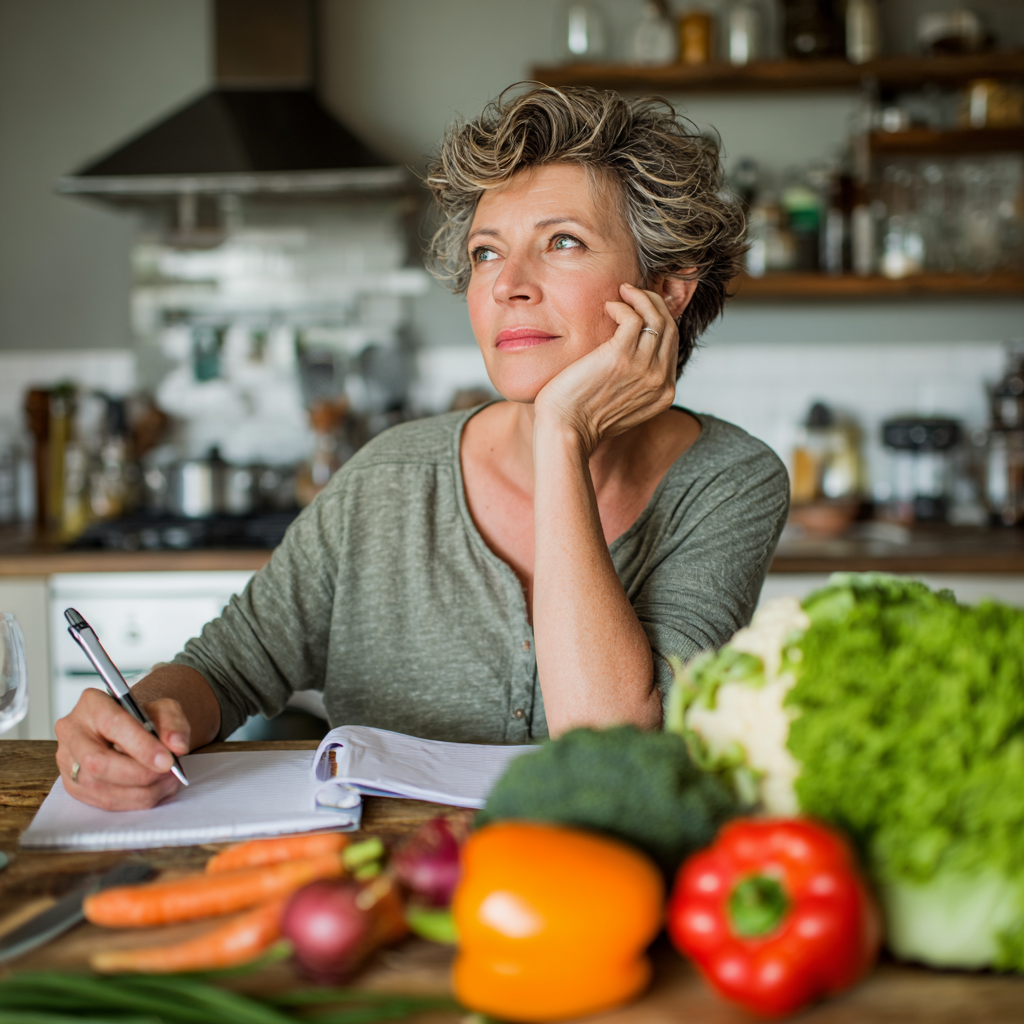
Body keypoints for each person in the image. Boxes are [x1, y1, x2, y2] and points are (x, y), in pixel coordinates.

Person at [55, 85, 789, 811]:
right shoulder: (388, 479)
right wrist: (143, 721)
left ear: (663, 290)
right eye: (487, 252)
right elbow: (221, 671)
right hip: (385, 891)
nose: (508, 285)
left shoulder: (729, 481)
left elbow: (611, 748)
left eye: (562, 242)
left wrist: (562, 437)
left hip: (604, 897)